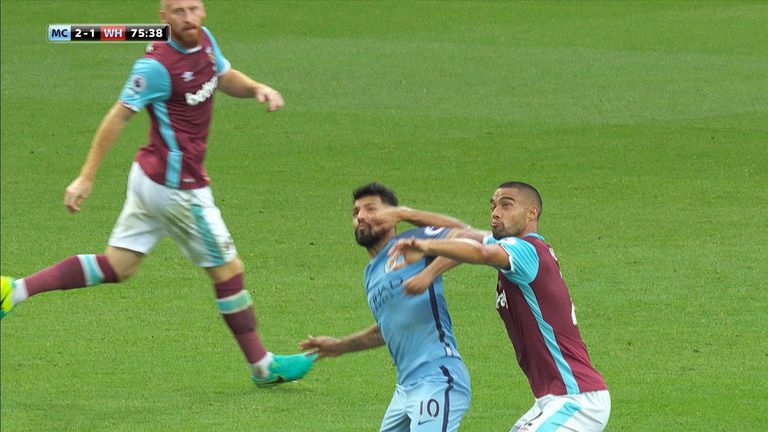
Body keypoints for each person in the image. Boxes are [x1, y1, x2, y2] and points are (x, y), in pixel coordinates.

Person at [0, 0, 314, 386]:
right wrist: (85, 177)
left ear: (204, 11)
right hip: (177, 191)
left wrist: (257, 88)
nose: (188, 17)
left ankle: (13, 291)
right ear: (162, 17)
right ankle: (262, 367)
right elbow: (118, 116)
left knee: (118, 266)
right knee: (229, 271)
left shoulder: (204, 40)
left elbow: (223, 74)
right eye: (178, 11)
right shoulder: (155, 67)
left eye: (194, 8)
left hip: (148, 178)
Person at [387, 182, 610, 432]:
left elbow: (480, 253)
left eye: (506, 205)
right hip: (552, 400)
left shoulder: (525, 251)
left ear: (531, 213)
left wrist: (425, 247)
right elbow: (461, 233)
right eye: (493, 205)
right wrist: (407, 218)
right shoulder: (515, 247)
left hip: (576, 400)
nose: (495, 212)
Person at [299, 183, 472, 432]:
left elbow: (469, 237)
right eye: (356, 211)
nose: (360, 216)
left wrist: (429, 271)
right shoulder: (371, 273)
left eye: (371, 209)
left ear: (392, 216)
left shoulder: (412, 243)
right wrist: (340, 345)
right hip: (405, 388)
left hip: (437, 376)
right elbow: (387, 329)